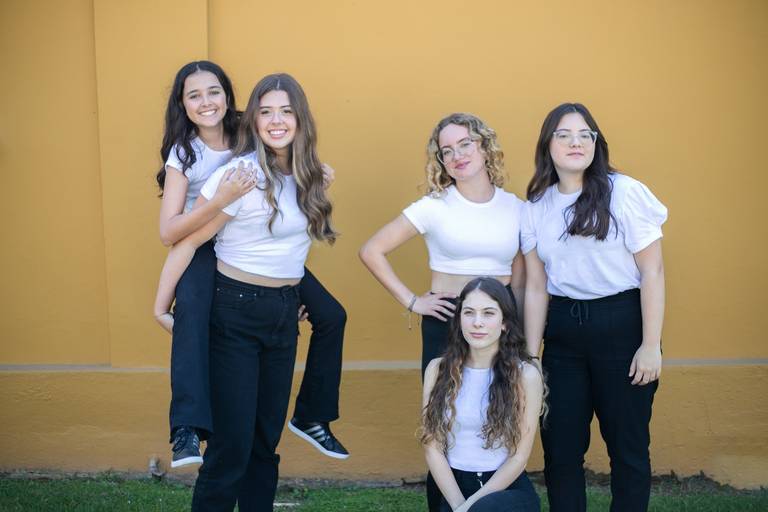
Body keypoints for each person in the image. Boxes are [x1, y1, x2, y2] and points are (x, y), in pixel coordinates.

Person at [154, 73, 338, 510]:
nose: (276, 120)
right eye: (267, 112)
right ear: (253, 121)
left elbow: (288, 246)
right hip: (234, 309)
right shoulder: (240, 175)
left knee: (264, 445)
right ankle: (185, 428)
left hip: (283, 312)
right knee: (231, 447)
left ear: (300, 119)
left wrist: (293, 291)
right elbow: (186, 240)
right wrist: (160, 305)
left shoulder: (309, 175)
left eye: (286, 111)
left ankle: (311, 419)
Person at [359, 112, 525, 510]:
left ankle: (490, 502)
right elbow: (372, 250)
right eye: (446, 151)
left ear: (485, 147)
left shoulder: (516, 208)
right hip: (448, 322)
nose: (457, 156)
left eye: (465, 144)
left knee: (499, 416)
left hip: (500, 325)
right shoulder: (433, 206)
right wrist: (413, 301)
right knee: (443, 424)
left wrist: (522, 336)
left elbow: (521, 281)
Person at [521, 103, 667, 512]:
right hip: (563, 336)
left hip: (623, 328)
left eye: (585, 134)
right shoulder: (536, 206)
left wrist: (650, 345)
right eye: (564, 135)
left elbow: (652, 271)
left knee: (628, 447)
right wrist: (531, 357)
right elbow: (536, 287)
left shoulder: (625, 192)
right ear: (547, 145)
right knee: (561, 450)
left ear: (596, 143)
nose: (576, 142)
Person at [153, 60, 255, 468]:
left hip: (254, 241)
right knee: (192, 311)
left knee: (322, 309)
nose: (206, 102)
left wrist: (317, 170)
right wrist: (218, 201)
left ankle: (310, 416)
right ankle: (187, 428)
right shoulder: (184, 152)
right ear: (183, 104)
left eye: (213, 91)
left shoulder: (249, 130)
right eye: (194, 95)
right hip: (205, 244)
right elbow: (169, 232)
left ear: (227, 94)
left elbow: (289, 158)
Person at [421, 277, 544, 512]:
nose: (477, 323)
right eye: (469, 313)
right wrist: (459, 506)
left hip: (504, 489)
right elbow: (431, 447)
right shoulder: (437, 369)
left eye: (488, 313)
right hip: (453, 486)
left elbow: (519, 458)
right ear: (459, 320)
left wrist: (469, 508)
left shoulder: (525, 375)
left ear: (504, 323)